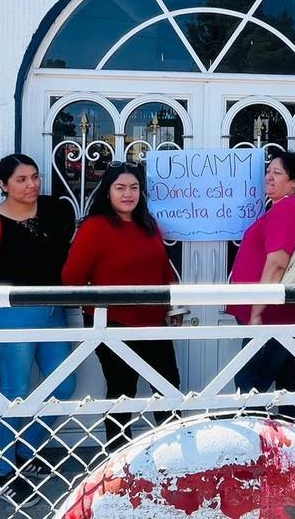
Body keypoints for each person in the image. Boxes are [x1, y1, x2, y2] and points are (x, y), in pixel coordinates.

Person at [0, 154, 76, 506]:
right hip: (12, 315)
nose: (31, 185)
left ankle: (26, 452)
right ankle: (4, 471)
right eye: (21, 179)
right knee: (14, 391)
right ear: (3, 184)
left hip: (54, 310)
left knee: (66, 384)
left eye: (35, 177)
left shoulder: (57, 210)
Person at [62, 163, 184, 448]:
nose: (128, 194)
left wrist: (174, 306)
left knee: (168, 386)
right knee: (121, 390)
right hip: (113, 322)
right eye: (120, 188)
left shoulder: (148, 223)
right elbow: (72, 277)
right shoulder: (95, 227)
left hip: (153, 321)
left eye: (134, 188)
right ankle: (119, 458)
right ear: (107, 192)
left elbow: (163, 269)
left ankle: (174, 455)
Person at [226, 149, 295, 402]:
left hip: (269, 315)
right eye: (268, 171)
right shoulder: (289, 208)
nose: (269, 177)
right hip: (278, 314)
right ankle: (291, 437)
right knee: (285, 386)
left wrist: (256, 312)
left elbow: (277, 262)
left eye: (277, 173)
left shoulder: (286, 209)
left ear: (294, 181)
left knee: (248, 383)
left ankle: (252, 439)